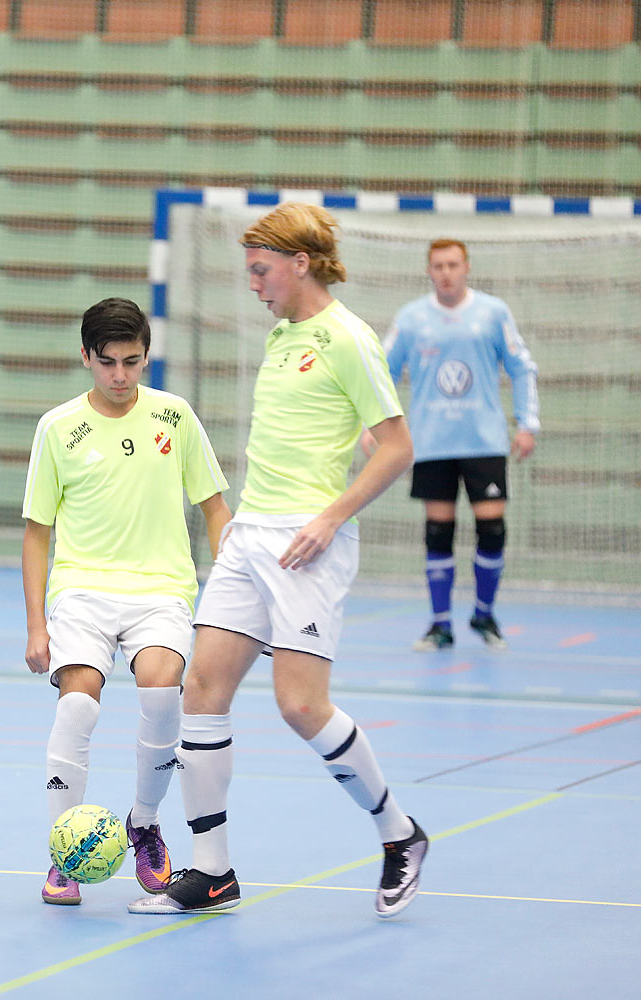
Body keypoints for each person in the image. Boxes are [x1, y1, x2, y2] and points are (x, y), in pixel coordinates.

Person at [128, 202, 427, 918]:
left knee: (299, 705)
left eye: (262, 271)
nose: (254, 284)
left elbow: (395, 446)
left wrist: (330, 516)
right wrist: (236, 523)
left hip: (307, 544)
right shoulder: (282, 336)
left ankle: (400, 834)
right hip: (251, 537)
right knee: (201, 692)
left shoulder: (348, 338)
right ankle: (214, 871)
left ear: (300, 263)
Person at [23, 296, 232, 905]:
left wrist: (230, 595)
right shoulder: (58, 428)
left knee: (164, 693)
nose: (120, 376)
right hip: (82, 589)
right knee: (78, 709)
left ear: (147, 357)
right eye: (108, 362)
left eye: (133, 362)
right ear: (86, 356)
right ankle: (65, 851)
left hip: (161, 589)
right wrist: (37, 626)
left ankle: (143, 822)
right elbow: (37, 532)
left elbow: (215, 508)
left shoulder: (175, 417)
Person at [377, 239, 539, 652]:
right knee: (438, 532)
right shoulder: (412, 319)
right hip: (432, 442)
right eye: (438, 266)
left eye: (452, 264)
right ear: (429, 271)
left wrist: (527, 423)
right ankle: (440, 624)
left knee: (492, 529)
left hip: (484, 440)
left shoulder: (492, 312)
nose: (445, 272)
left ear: (466, 267)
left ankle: (484, 615)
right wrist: (373, 426)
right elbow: (381, 373)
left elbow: (521, 366)